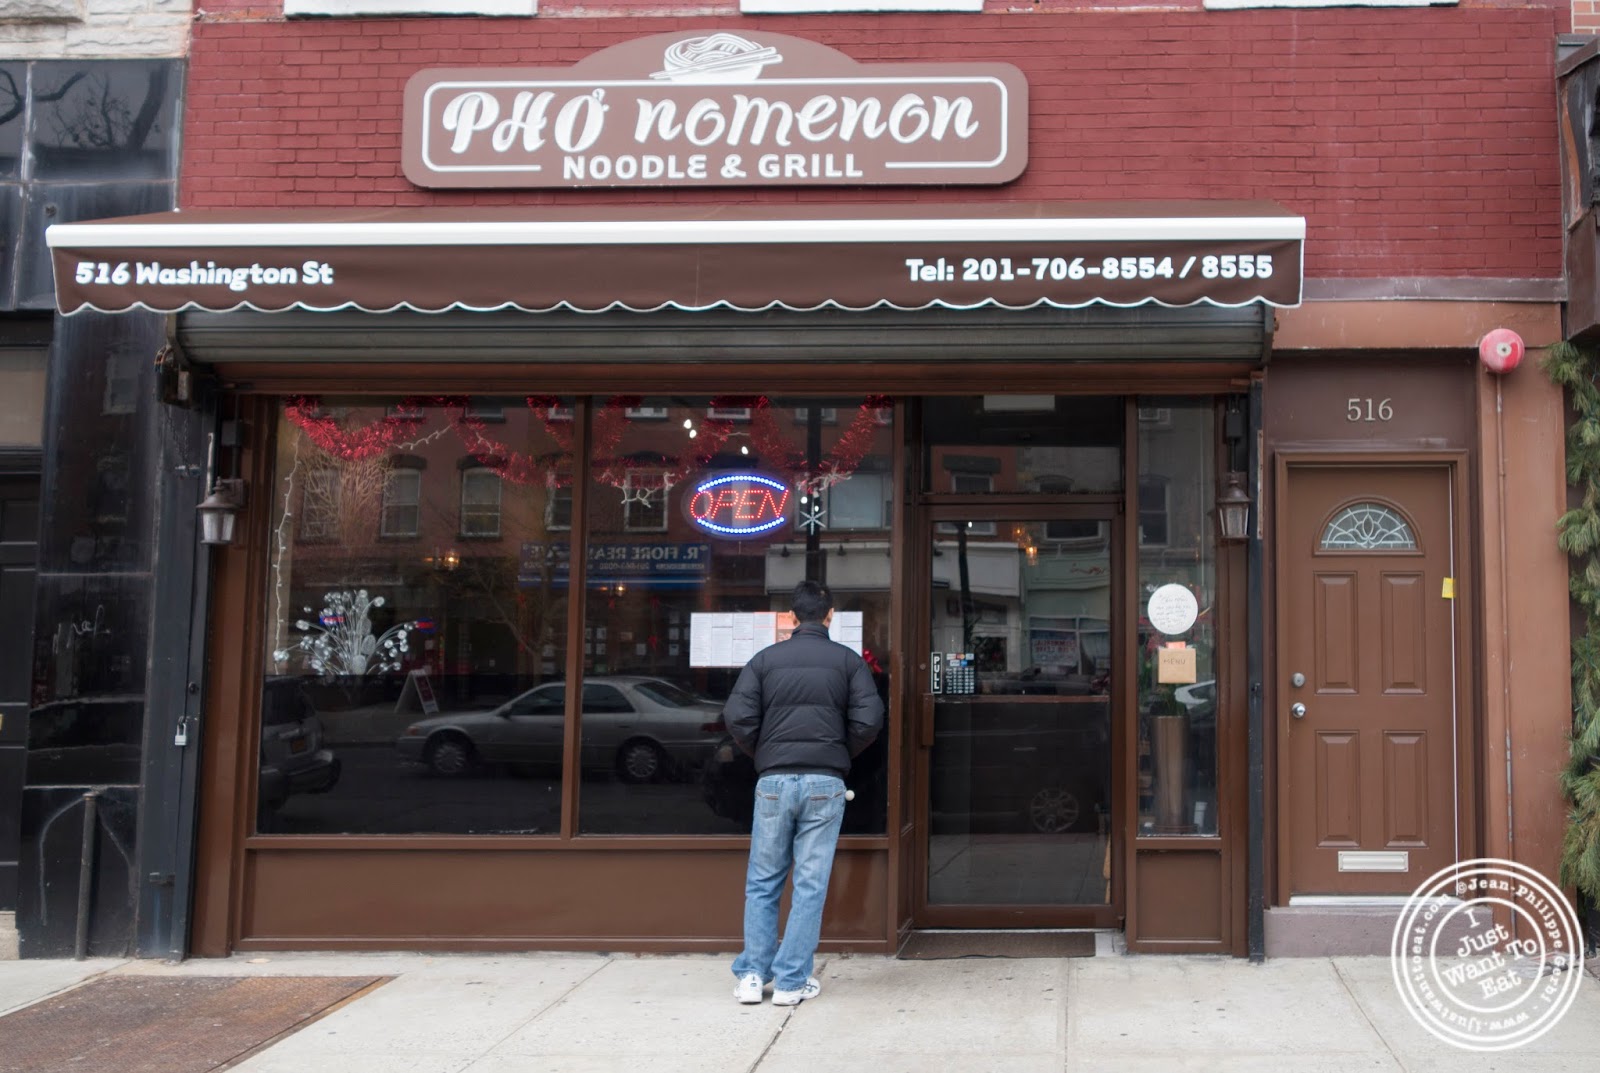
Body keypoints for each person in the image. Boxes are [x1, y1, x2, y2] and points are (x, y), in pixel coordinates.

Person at [724, 579, 884, 1007]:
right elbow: (870, 719)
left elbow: (737, 715)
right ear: (829, 616)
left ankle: (753, 976)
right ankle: (792, 981)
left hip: (773, 781)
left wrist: (765, 752)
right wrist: (836, 752)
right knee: (810, 883)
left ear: (792, 618)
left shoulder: (765, 660)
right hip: (825, 782)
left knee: (763, 881)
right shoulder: (848, 662)